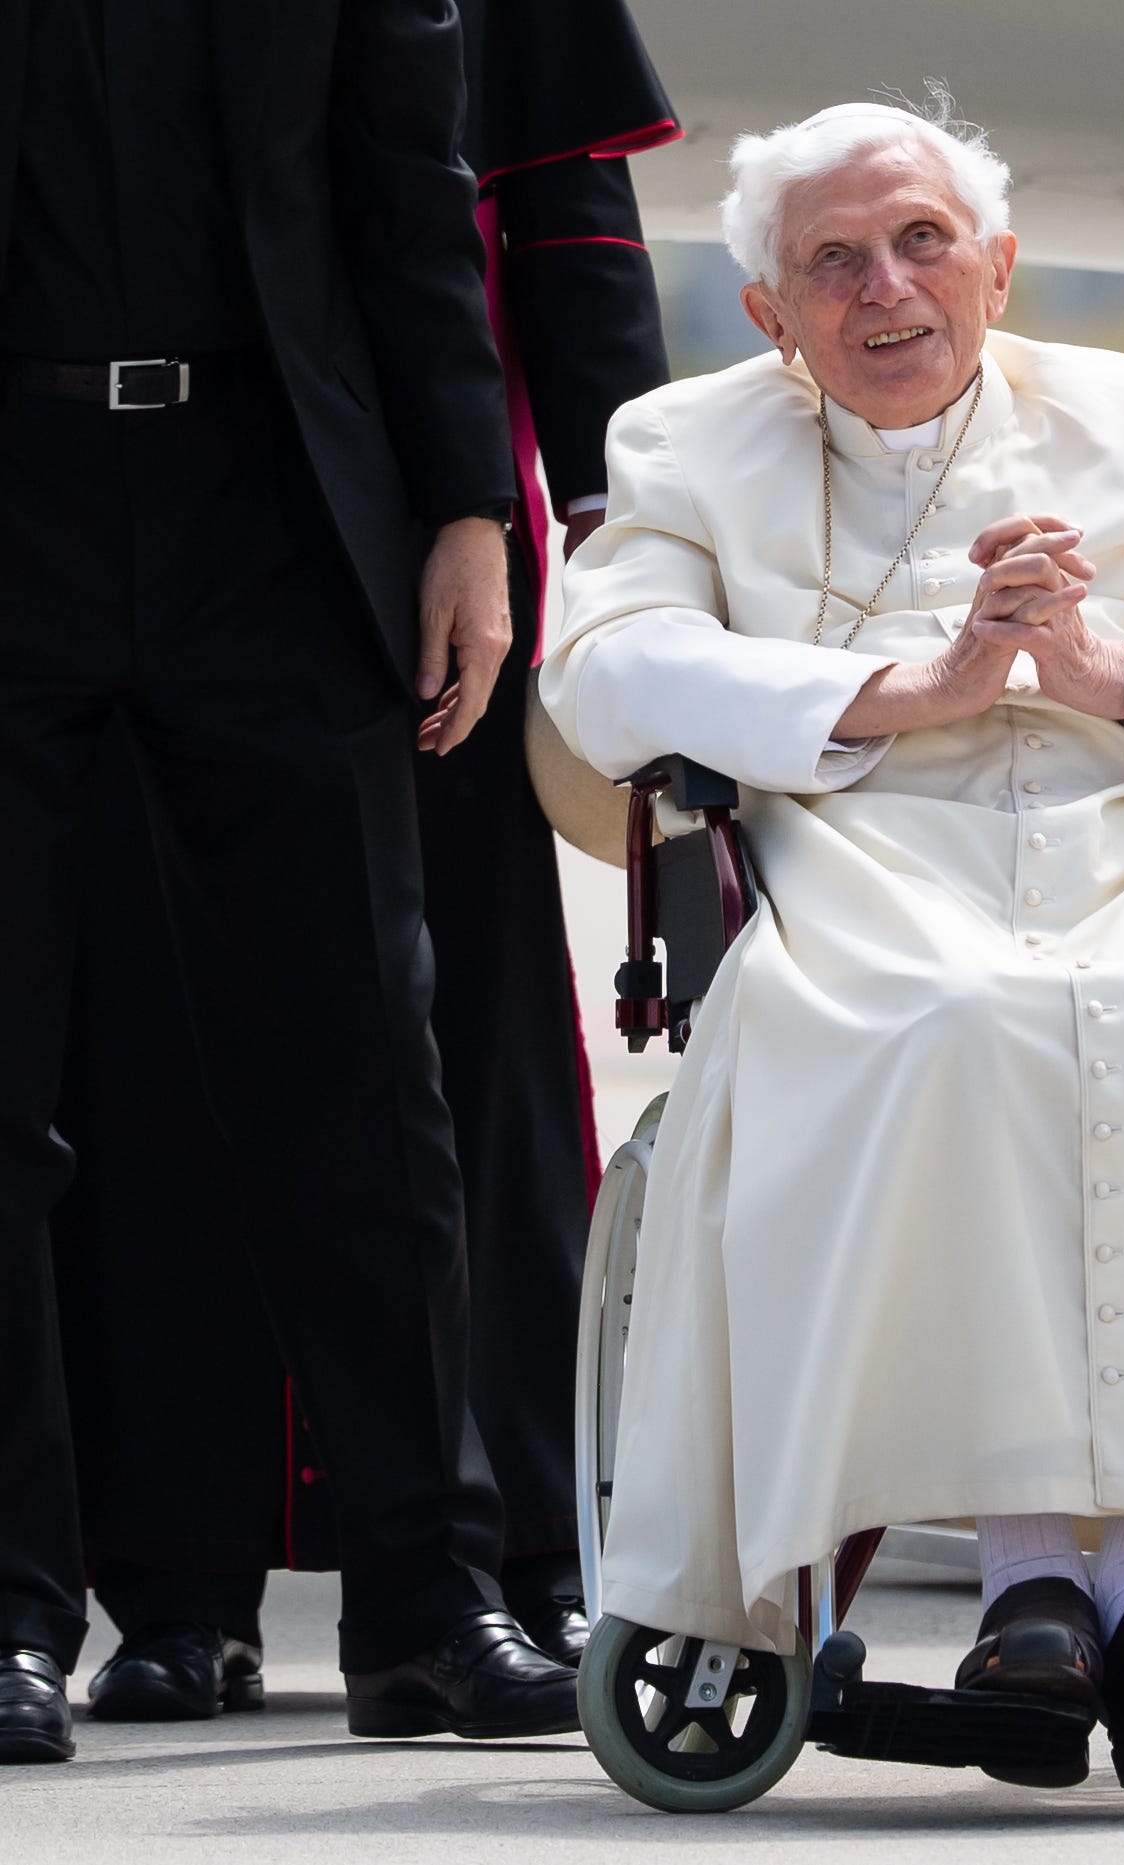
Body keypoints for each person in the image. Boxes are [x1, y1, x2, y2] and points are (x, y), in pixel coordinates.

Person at [540, 99, 1124, 1772]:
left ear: (998, 267)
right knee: (950, 1018)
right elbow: (605, 675)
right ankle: (1042, 1577)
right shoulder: (684, 444)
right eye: (833, 263)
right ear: (771, 315)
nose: (887, 290)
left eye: (923, 242)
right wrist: (908, 688)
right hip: (863, 862)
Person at [41, 0, 677, 1720]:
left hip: (355, 530)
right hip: (75, 524)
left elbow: (514, 203)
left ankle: (488, 1554)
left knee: (407, 1068)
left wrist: (595, 518)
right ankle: (153, 1573)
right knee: (113, 1063)